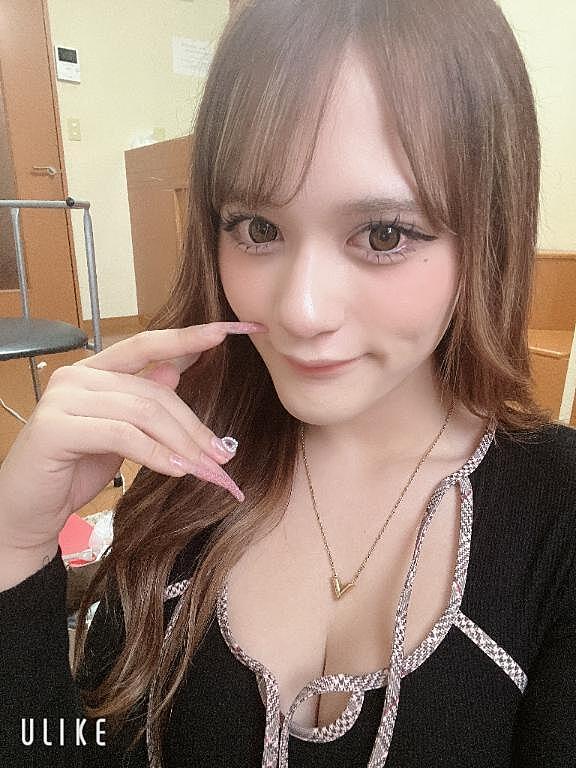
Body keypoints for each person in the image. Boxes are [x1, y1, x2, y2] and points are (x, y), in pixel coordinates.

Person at [0, 0, 574, 765]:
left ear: (487, 231)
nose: (299, 311)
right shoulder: (186, 471)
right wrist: (14, 549)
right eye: (258, 228)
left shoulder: (558, 516)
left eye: (384, 234)